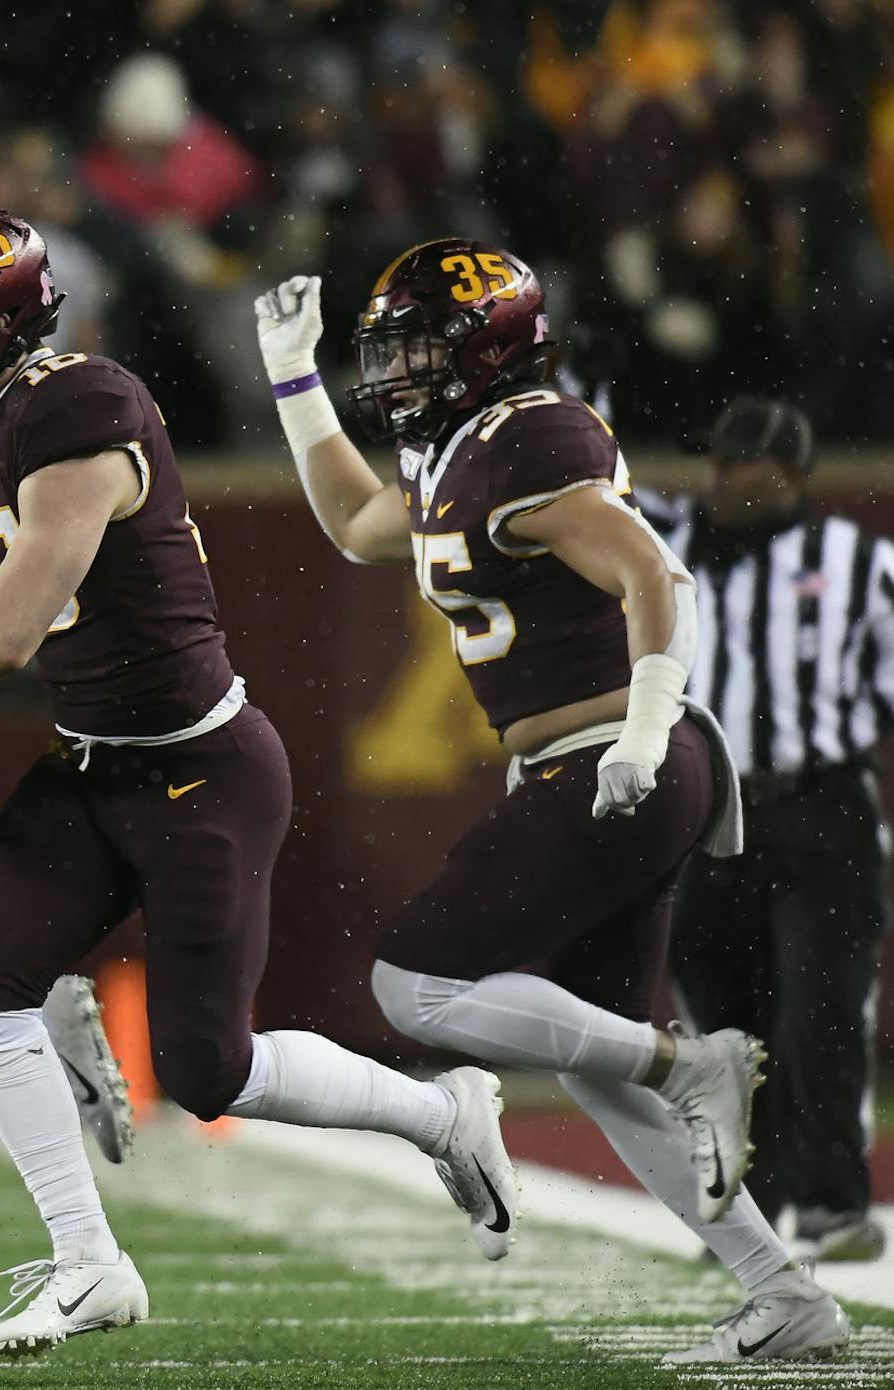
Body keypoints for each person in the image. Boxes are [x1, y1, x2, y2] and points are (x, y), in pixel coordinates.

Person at [0, 203, 523, 1360]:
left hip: (202, 770)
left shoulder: (79, 409)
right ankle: (87, 1261)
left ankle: (442, 1112)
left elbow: (9, 636)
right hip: (93, 764)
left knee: (212, 1071)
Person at [253, 243, 850, 1362]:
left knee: (413, 985)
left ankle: (694, 1062)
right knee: (592, 1053)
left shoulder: (527, 433)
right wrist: (293, 379)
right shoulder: (457, 450)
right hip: (589, 765)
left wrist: (641, 725)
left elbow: (653, 577)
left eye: (423, 344)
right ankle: (784, 1293)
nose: (397, 370)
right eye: (389, 349)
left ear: (488, 346)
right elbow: (356, 525)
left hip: (616, 759)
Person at [646, 396, 890, 1263]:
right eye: (716, 463)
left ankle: (830, 1202)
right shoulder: (679, 555)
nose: (721, 480)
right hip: (717, 812)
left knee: (819, 1011)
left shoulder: (862, 563)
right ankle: (748, 1213)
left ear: (786, 474)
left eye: (738, 465)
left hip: (822, 808)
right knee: (723, 1026)